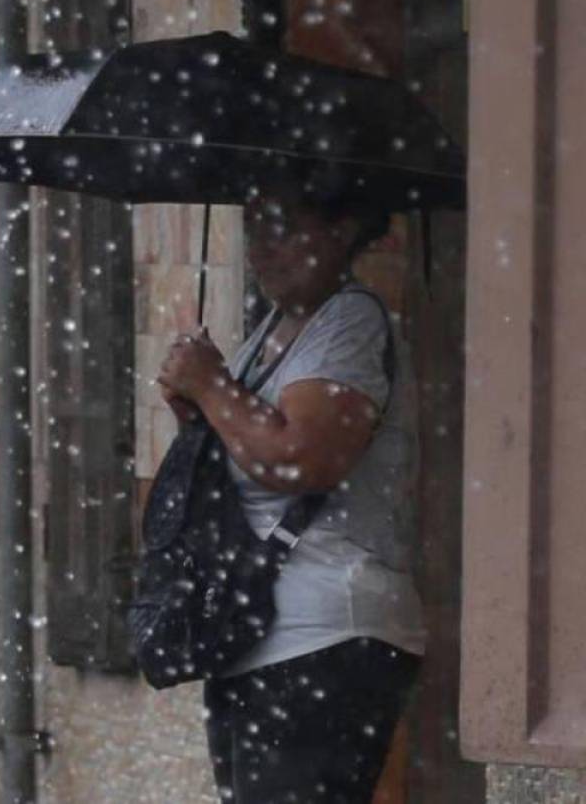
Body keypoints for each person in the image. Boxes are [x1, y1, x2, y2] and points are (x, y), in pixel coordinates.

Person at [156, 184, 426, 804]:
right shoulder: (277, 327)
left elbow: (303, 457)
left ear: (342, 229)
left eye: (282, 225)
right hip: (259, 634)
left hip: (325, 633)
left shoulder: (350, 321)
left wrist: (213, 385)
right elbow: (242, 464)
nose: (261, 247)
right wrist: (199, 411)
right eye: (253, 227)